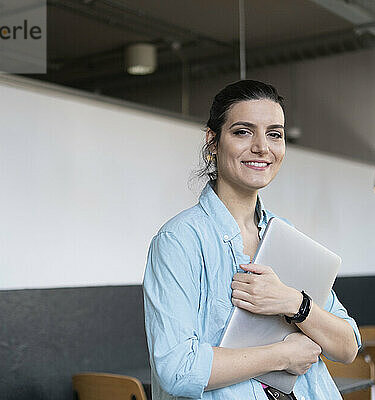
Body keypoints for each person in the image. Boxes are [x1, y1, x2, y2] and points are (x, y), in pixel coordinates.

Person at [143, 80, 361, 400]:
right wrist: (282, 355)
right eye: (243, 131)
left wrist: (294, 303)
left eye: (274, 134)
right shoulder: (179, 241)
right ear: (213, 142)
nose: (262, 147)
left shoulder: (286, 236)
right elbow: (177, 369)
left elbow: (347, 346)